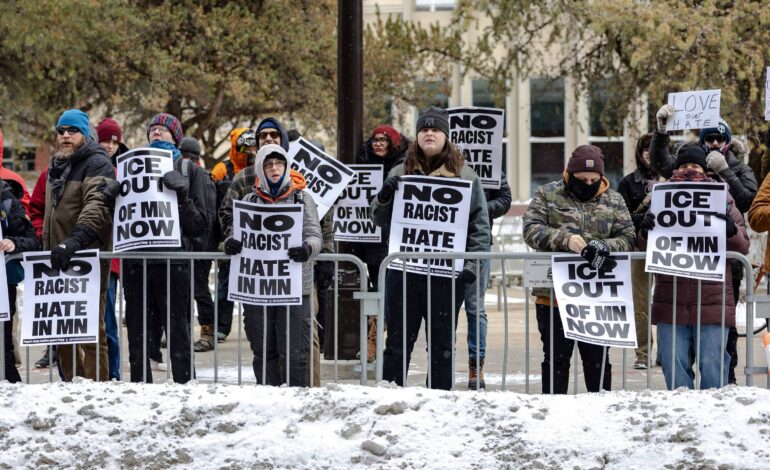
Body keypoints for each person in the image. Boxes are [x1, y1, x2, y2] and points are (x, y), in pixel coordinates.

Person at [371, 107, 490, 391]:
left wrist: (471, 266)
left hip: (446, 274)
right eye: (424, 129)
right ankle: (391, 397)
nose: (429, 133)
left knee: (441, 345)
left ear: (445, 137)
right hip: (404, 271)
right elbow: (377, 218)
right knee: (397, 342)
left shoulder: (465, 176)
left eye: (436, 129)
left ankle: (440, 401)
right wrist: (385, 197)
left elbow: (480, 228)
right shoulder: (399, 171)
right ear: (417, 136)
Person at [652, 107, 757, 384]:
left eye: (695, 167)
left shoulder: (726, 188)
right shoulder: (661, 195)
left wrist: (729, 227)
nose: (689, 171)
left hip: (713, 290)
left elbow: (744, 233)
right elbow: (660, 160)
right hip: (672, 292)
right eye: (684, 166)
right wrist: (645, 226)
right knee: (674, 365)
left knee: (714, 364)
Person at [523, 144, 635, 394]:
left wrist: (602, 246)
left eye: (594, 180)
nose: (588, 184)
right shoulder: (547, 194)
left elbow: (628, 236)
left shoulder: (614, 200)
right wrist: (566, 240)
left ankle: (600, 411)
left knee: (597, 361)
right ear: (569, 174)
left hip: (598, 298)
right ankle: (553, 410)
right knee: (556, 359)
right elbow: (531, 229)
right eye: (582, 179)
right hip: (553, 296)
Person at [220, 121, 322, 386]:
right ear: (260, 169)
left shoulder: (302, 198)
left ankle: (297, 405)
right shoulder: (250, 201)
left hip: (295, 287)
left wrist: (307, 248)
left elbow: (314, 233)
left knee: (295, 352)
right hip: (259, 288)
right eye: (268, 165)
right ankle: (266, 398)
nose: (274, 169)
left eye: (278, 164)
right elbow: (235, 234)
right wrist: (230, 243)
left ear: (286, 166)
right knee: (264, 351)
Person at [120, 113, 211, 383]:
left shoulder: (189, 170)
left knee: (178, 331)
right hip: (136, 262)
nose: (156, 133)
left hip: (174, 262)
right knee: (137, 332)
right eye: (152, 130)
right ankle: (138, 385)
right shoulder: (130, 167)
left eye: (163, 130)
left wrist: (182, 197)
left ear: (176, 137)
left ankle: (185, 385)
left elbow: (200, 226)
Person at [44, 109, 115, 381]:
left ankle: (96, 390)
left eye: (71, 130)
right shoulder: (57, 164)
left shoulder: (97, 162)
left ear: (84, 134)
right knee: (62, 329)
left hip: (86, 258)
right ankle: (71, 386)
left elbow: (97, 207)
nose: (64, 135)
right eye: (60, 130)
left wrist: (73, 242)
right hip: (57, 259)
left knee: (89, 329)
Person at [350, 125, 410, 363]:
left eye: (383, 140)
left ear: (393, 143)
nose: (378, 144)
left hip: (397, 239)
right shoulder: (362, 164)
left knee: (395, 294)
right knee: (378, 290)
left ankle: (385, 341)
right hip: (373, 240)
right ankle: (373, 339)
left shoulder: (406, 166)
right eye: (375, 139)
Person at [463, 170, 511, 390]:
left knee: (475, 308)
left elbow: (504, 199)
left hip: (478, 244)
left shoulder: (489, 165)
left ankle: (476, 365)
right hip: (445, 243)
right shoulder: (441, 162)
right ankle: (443, 362)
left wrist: (477, 207)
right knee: (444, 309)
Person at [617, 133, 656, 370]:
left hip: (670, 250)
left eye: (653, 149)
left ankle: (668, 349)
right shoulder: (628, 183)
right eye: (645, 149)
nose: (649, 154)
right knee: (641, 302)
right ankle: (643, 353)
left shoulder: (674, 178)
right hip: (640, 249)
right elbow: (620, 217)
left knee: (668, 300)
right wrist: (641, 219)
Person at [96, 117, 129, 381]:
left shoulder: (129, 169)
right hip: (86, 252)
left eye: (113, 141)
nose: (109, 145)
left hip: (113, 257)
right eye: (105, 139)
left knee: (108, 323)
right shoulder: (88, 166)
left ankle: (114, 374)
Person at [1, 180, 39, 382]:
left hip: (2, 286)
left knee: (2, 346)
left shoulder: (7, 201)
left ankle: (10, 388)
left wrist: (14, 243)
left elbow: (33, 241)